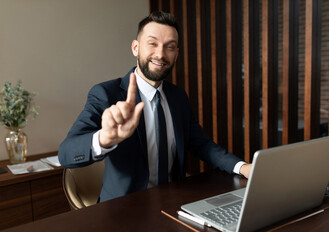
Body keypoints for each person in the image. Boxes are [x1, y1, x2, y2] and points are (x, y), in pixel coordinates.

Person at [59, 11, 252, 202]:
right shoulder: (106, 93)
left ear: (176, 55)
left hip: (174, 202)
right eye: (152, 44)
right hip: (123, 210)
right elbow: (66, 153)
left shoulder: (178, 97)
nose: (160, 54)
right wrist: (104, 139)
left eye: (170, 47)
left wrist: (242, 167)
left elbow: (202, 144)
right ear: (136, 48)